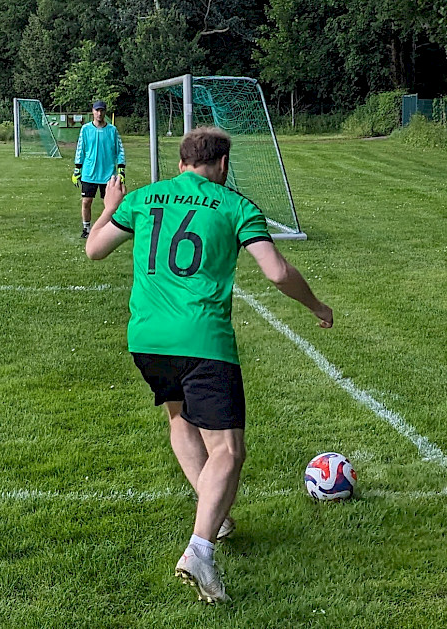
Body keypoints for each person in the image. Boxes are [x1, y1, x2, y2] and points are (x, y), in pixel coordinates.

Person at [85, 127, 332, 604]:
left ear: (181, 165)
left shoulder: (144, 197)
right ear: (221, 166)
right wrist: (318, 306)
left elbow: (94, 249)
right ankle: (199, 549)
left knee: (178, 416)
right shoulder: (236, 205)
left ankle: (212, 518)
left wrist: (111, 204)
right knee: (229, 451)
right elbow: (277, 272)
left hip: (146, 338)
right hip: (203, 339)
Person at [73, 100, 124, 238]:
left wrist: (121, 169)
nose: (99, 113)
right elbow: (80, 149)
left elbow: (119, 150)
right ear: (93, 111)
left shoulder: (112, 130)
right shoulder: (85, 129)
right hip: (89, 173)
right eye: (97, 110)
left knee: (110, 204)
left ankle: (108, 230)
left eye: (102, 110)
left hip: (108, 174)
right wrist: (77, 169)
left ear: (105, 112)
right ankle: (86, 228)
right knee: (86, 201)